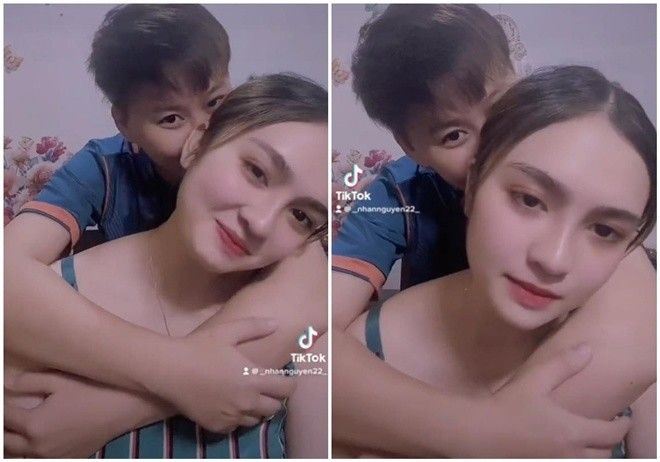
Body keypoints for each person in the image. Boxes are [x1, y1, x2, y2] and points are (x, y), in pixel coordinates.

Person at [4, 4, 328, 454]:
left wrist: (112, 410)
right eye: (171, 119)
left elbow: (308, 288)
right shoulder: (103, 166)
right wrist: (176, 369)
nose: (202, 127)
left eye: (215, 103)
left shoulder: (291, 260)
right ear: (125, 123)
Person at [331, 5, 653, 457]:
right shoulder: (395, 194)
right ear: (411, 146)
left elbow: (639, 320)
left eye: (501, 105)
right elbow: (314, 335)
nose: (493, 141)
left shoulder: (587, 181)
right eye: (454, 135)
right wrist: (478, 430)